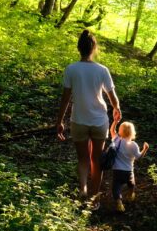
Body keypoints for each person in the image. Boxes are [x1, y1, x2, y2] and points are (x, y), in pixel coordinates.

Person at [56, 29, 120, 202]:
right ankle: (93, 196)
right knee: (96, 159)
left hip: (79, 120)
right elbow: (112, 97)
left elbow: (65, 99)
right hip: (99, 121)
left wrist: (60, 121)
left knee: (83, 159)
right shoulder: (102, 70)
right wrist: (117, 109)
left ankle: (83, 189)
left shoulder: (71, 69)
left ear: (79, 48)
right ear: (94, 48)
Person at [108, 118, 148, 213]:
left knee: (116, 187)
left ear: (120, 131)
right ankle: (130, 195)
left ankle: (119, 202)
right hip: (128, 171)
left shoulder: (116, 140)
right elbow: (138, 157)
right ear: (132, 132)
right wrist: (145, 149)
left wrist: (115, 122)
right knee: (131, 184)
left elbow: (112, 130)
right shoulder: (133, 145)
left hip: (117, 170)